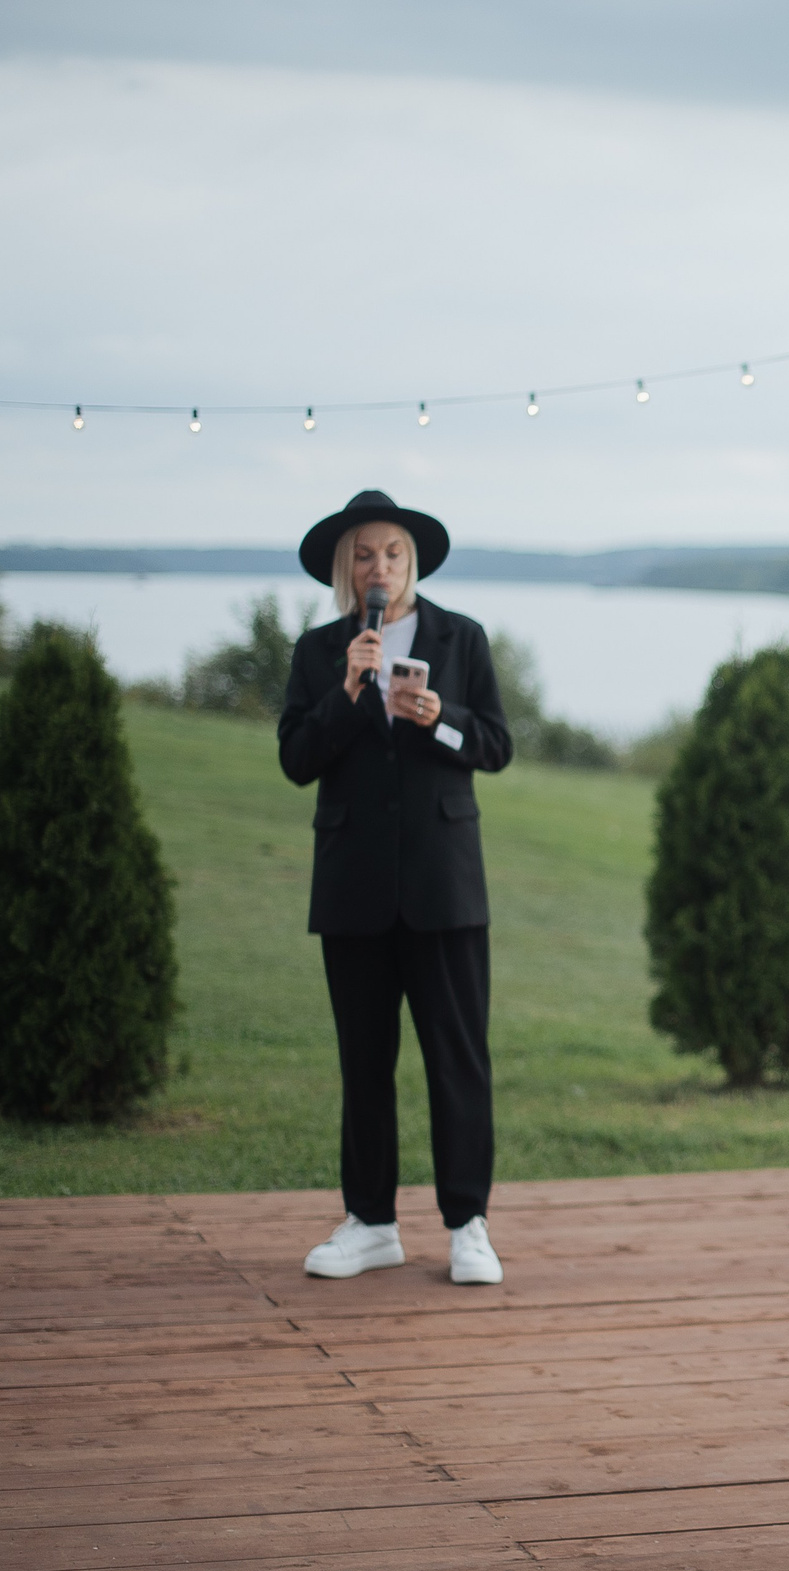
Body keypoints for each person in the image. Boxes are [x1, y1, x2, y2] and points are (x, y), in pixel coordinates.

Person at [279, 489, 514, 1286]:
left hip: (445, 888)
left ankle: (468, 1224)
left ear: (411, 562)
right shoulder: (321, 651)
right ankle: (371, 1223)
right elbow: (297, 758)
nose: (379, 566)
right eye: (364, 554)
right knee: (364, 1062)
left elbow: (495, 744)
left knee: (458, 1059)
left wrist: (437, 718)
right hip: (353, 887)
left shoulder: (461, 637)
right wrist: (348, 693)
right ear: (346, 568)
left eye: (392, 552)